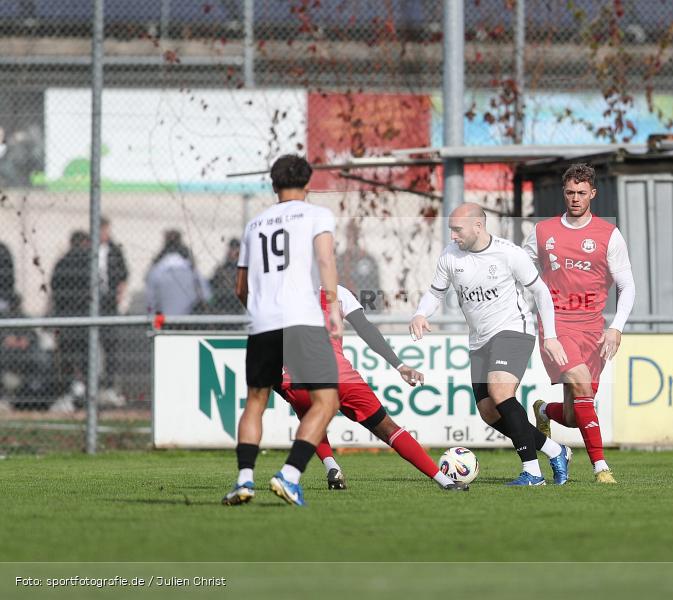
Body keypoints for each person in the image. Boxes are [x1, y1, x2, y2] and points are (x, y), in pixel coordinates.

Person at [409, 203, 571, 486]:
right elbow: (435, 292)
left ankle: (532, 473)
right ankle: (555, 450)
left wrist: (551, 336)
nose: (453, 236)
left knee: (500, 391)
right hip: (479, 340)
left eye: (457, 229)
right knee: (488, 411)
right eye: (451, 230)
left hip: (513, 330)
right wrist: (421, 313)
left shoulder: (509, 253)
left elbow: (541, 292)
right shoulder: (450, 256)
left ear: (478, 226)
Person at [222, 154, 342, 508]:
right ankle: (289, 475)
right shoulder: (317, 215)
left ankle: (244, 480)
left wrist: (260, 312)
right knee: (326, 401)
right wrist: (334, 307)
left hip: (262, 323)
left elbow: (240, 287)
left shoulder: (254, 224)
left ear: (273, 185)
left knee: (255, 401)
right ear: (308, 183)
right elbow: (325, 260)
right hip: (302, 319)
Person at [277, 285, 468, 492]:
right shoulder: (337, 292)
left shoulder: (278, 295)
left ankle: (331, 466)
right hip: (339, 376)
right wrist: (400, 366)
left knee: (311, 421)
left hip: (296, 380)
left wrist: (284, 388)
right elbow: (365, 329)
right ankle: (446, 482)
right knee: (388, 429)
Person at [524, 163, 636, 484]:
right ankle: (601, 468)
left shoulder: (609, 235)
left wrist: (616, 327)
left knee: (576, 416)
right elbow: (520, 270)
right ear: (564, 192)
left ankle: (544, 411)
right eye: (570, 192)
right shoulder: (543, 232)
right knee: (583, 384)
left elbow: (627, 285)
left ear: (592, 194)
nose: (575, 198)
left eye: (581, 193)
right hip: (556, 327)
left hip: (593, 330)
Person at [50, 231, 92, 402]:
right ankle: (86, 392)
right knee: (85, 356)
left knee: (66, 356)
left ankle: (68, 392)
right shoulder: (87, 262)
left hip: (64, 316)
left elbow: (54, 288)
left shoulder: (62, 262)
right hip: (83, 316)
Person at [145, 230, 210, 316]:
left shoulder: (157, 271)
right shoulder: (192, 271)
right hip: (189, 319)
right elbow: (206, 295)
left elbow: (151, 302)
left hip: (163, 319)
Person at [98, 217, 128, 397]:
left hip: (109, 304)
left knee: (110, 344)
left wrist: (119, 295)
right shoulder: (88, 250)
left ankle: (109, 386)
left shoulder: (115, 251)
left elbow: (124, 275)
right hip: (93, 302)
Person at [208, 238, 245, 314]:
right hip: (222, 301)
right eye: (231, 249)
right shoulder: (222, 268)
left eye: (235, 249)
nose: (232, 252)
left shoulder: (243, 268)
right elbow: (213, 283)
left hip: (236, 303)